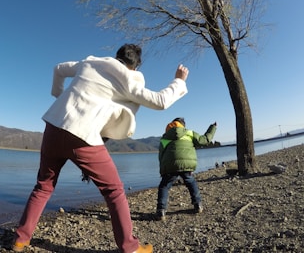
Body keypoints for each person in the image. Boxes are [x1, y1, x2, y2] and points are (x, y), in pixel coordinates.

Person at [12, 44, 189, 253]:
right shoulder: (129, 80)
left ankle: (20, 240)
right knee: (114, 191)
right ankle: (130, 247)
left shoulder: (88, 63)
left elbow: (58, 69)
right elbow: (160, 101)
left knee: (43, 186)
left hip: (54, 126)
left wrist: (59, 96)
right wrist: (179, 80)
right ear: (135, 66)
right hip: (82, 135)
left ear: (117, 56)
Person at [155, 118, 217, 221]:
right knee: (190, 182)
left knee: (164, 186)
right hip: (187, 163)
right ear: (182, 126)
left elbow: (161, 155)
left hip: (170, 164)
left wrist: (163, 170)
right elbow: (205, 140)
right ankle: (198, 205)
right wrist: (213, 127)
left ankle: (161, 211)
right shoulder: (190, 133)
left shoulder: (165, 137)